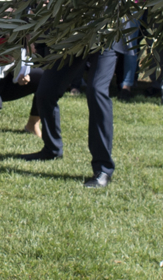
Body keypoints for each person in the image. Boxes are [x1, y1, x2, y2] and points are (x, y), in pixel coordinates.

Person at [26, 43, 117, 188]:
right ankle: (52, 149)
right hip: (74, 39)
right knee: (45, 91)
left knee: (96, 91)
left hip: (105, 40)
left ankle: (103, 169)